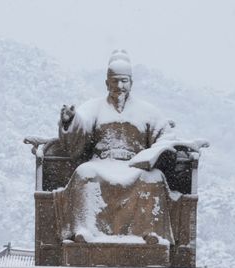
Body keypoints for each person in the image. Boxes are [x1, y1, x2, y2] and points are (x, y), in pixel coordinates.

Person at [51, 49, 186, 246]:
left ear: (131, 83)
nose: (119, 86)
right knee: (84, 173)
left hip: (135, 166)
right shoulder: (94, 107)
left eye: (124, 81)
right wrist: (70, 121)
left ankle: (151, 234)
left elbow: (166, 136)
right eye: (114, 81)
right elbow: (80, 128)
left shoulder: (147, 111)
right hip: (102, 163)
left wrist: (154, 153)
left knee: (154, 178)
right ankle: (84, 231)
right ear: (107, 83)